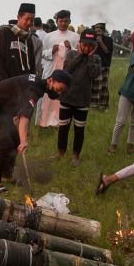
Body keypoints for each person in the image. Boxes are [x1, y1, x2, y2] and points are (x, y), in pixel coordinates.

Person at [0, 70, 71, 193]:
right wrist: (24, 141)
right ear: (51, 80)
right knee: (5, 143)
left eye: (62, 91)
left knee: (14, 137)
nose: (59, 92)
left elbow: (21, 106)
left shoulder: (38, 84)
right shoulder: (34, 89)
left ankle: (7, 174)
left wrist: (20, 134)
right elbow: (25, 115)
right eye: (59, 88)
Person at [57, 29, 101, 166]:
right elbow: (66, 70)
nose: (87, 48)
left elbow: (93, 74)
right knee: (63, 128)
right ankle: (60, 152)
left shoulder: (96, 59)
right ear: (79, 43)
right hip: (67, 98)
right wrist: (80, 56)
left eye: (91, 46)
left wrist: (88, 58)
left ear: (94, 47)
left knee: (79, 130)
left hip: (82, 101)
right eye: (85, 45)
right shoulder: (71, 54)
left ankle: (75, 155)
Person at [38, 10, 79, 127]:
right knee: (47, 97)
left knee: (62, 96)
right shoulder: (48, 36)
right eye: (61, 21)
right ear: (56, 21)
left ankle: (60, 122)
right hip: (51, 71)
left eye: (66, 21)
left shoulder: (75, 37)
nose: (63, 23)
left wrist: (70, 48)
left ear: (70, 21)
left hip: (66, 72)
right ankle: (44, 121)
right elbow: (42, 53)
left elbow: (79, 54)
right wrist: (52, 50)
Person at [0, 3, 36, 83]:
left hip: (24, 83)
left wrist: (32, 82)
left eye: (32, 20)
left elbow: (32, 64)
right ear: (18, 17)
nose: (29, 22)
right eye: (27, 19)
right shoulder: (5, 32)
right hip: (7, 83)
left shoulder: (28, 38)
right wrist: (4, 82)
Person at [91, 23, 114, 110]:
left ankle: (104, 105)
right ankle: (94, 105)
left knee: (103, 86)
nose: (98, 29)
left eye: (100, 28)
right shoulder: (92, 39)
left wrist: (100, 42)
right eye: (96, 28)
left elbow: (107, 51)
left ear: (103, 30)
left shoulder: (108, 40)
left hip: (104, 65)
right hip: (94, 65)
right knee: (95, 85)